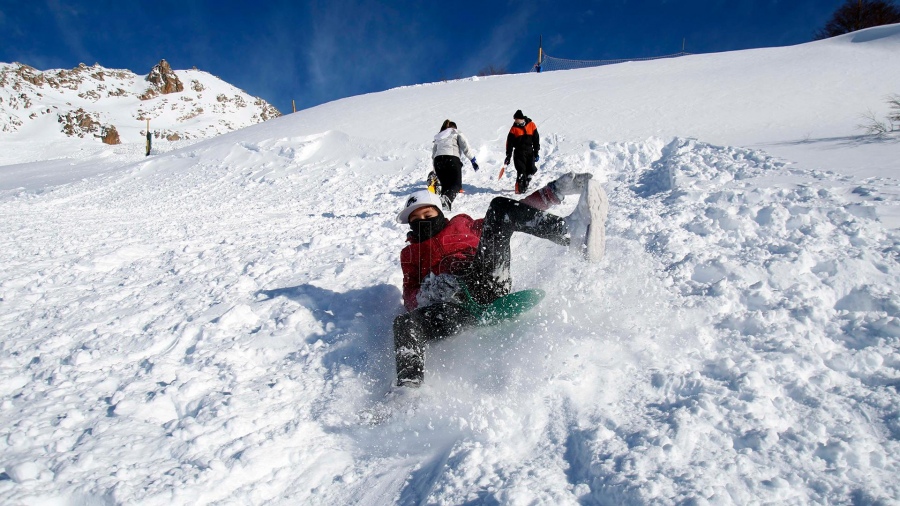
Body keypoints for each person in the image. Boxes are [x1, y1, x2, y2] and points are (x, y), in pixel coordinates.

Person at [392, 172, 608, 387]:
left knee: (500, 208)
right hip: (455, 308)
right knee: (405, 323)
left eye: (427, 214)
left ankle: (570, 234)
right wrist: (428, 292)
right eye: (416, 220)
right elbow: (410, 294)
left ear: (439, 212)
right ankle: (409, 387)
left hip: (487, 280)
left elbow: (518, 210)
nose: (423, 222)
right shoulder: (410, 254)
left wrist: (554, 191)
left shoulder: (462, 226)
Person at [432, 119, 479, 211]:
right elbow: (465, 146)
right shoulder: (456, 132)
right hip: (451, 159)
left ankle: (442, 208)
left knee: (446, 187)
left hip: (438, 161)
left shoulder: (438, 137)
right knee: (456, 185)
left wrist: (434, 169)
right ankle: (446, 201)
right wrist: (472, 160)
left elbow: (434, 154)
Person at [504, 110, 540, 194]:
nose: (515, 121)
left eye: (516, 119)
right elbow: (509, 143)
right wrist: (508, 156)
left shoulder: (531, 125)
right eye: (515, 120)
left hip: (529, 152)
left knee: (531, 169)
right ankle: (519, 190)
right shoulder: (514, 129)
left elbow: (536, 140)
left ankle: (526, 182)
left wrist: (536, 152)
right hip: (519, 153)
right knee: (521, 171)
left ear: (521, 119)